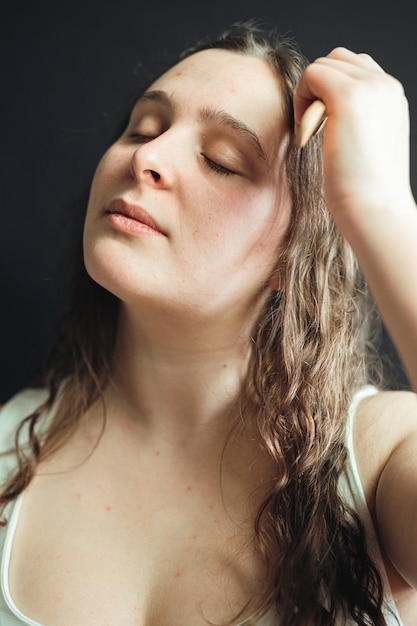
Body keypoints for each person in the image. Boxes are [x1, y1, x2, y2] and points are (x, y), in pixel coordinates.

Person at [0, 21, 416, 626]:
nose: (147, 156)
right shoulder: (8, 449)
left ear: (290, 255)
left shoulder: (377, 458)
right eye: (144, 127)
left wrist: (379, 206)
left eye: (221, 161)